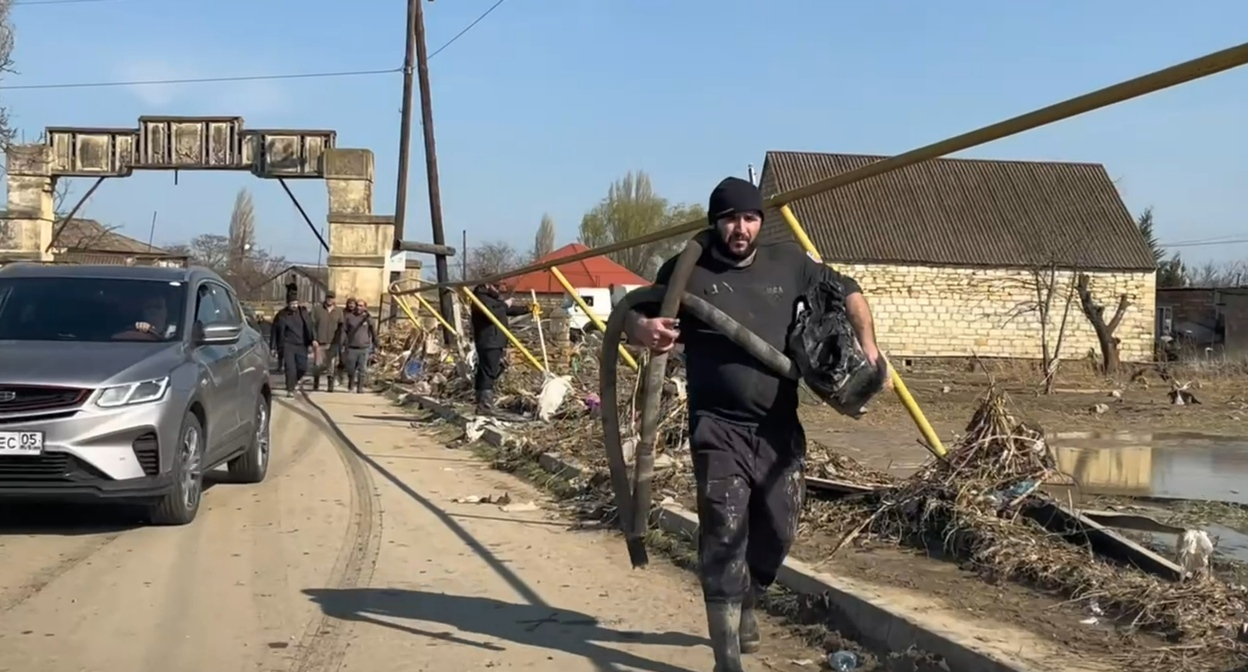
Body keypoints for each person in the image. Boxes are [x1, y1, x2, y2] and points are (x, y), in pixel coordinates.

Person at [624, 177, 884, 672]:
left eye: (748, 218)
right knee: (723, 530)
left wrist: (868, 347)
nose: (738, 228)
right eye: (728, 218)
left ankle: (748, 598)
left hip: (777, 426)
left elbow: (848, 290)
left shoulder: (789, 263)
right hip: (716, 426)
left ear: (760, 220)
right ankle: (727, 658)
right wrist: (645, 328)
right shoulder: (686, 270)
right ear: (714, 222)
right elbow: (634, 310)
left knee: (779, 530)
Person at [469, 283, 532, 414]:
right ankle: (485, 405)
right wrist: (505, 304)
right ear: (487, 285)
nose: (498, 290)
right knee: (489, 371)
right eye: (496, 286)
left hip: (493, 340)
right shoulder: (480, 299)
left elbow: (505, 310)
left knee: (486, 371)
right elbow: (492, 313)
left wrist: (527, 308)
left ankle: (482, 403)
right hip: (489, 340)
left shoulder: (489, 299)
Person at [270, 289, 315, 397]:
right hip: (287, 345)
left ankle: (295, 381)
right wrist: (273, 347)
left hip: (302, 344)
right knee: (290, 368)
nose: (294, 306)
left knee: (302, 368)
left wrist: (312, 340)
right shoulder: (281, 315)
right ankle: (290, 389)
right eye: (292, 304)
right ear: (288, 304)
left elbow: (310, 327)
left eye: (295, 303)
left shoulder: (303, 313)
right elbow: (274, 331)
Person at [341, 297, 377, 394]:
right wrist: (343, 343)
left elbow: (373, 332)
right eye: (357, 305)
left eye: (361, 306)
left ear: (365, 307)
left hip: (364, 348)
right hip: (352, 347)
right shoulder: (349, 317)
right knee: (351, 368)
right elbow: (344, 331)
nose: (358, 307)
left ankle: (360, 388)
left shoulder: (368, 318)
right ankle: (351, 385)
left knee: (362, 369)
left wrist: (376, 345)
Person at [310, 291, 344, 392]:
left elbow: (341, 327)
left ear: (334, 299)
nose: (330, 299)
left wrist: (339, 341)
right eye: (328, 297)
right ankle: (316, 384)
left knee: (331, 365)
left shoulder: (338, 311)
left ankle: (330, 386)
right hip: (319, 342)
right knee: (318, 365)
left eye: (332, 298)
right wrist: (314, 339)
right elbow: (312, 325)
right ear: (325, 298)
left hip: (333, 343)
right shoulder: (317, 309)